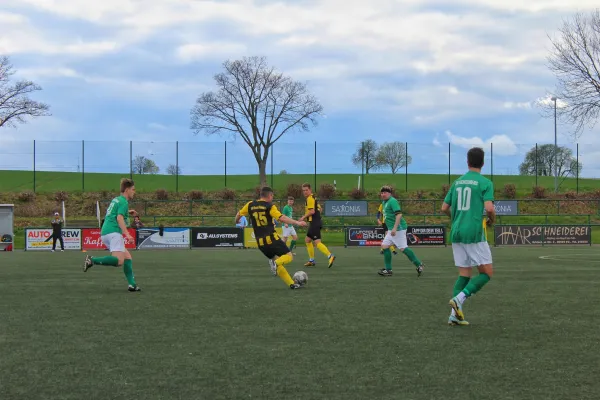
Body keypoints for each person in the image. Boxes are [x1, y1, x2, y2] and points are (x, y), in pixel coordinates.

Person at [442, 147, 495, 326]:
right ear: (483, 162)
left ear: (467, 162)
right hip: (473, 233)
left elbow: (444, 208)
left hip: (456, 231)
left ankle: (453, 315)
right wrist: (491, 220)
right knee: (486, 273)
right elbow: (489, 208)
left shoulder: (457, 182)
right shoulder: (485, 182)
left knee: (464, 273)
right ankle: (459, 299)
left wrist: (456, 219)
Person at [236, 187, 307, 289]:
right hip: (272, 240)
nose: (272, 198)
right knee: (289, 256)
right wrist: (297, 222)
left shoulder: (250, 204)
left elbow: (239, 214)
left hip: (261, 244)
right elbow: (281, 218)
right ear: (270, 195)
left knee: (278, 260)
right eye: (272, 196)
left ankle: (292, 284)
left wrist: (236, 220)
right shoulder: (269, 206)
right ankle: (275, 263)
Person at [83, 178, 140, 292]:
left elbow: (114, 213)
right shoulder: (124, 202)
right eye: (133, 189)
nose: (134, 192)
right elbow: (119, 218)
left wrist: (128, 212)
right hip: (113, 232)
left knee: (127, 257)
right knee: (119, 261)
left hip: (105, 232)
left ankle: (132, 285)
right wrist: (127, 234)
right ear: (127, 190)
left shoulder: (117, 200)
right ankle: (92, 260)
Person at [378, 185, 425, 277]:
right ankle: (388, 270)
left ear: (390, 193)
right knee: (385, 246)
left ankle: (419, 265)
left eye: (385, 193)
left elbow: (399, 215)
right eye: (382, 192)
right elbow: (387, 216)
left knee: (403, 248)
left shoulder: (392, 201)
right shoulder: (384, 202)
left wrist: (395, 228)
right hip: (392, 229)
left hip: (398, 229)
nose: (383, 194)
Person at [300, 183, 335, 268]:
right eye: (303, 190)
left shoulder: (310, 199)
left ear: (310, 190)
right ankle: (311, 260)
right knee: (307, 240)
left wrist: (303, 217)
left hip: (315, 223)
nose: (305, 192)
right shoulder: (313, 198)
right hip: (315, 222)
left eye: (306, 190)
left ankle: (330, 256)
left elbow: (312, 211)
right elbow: (320, 208)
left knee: (317, 242)